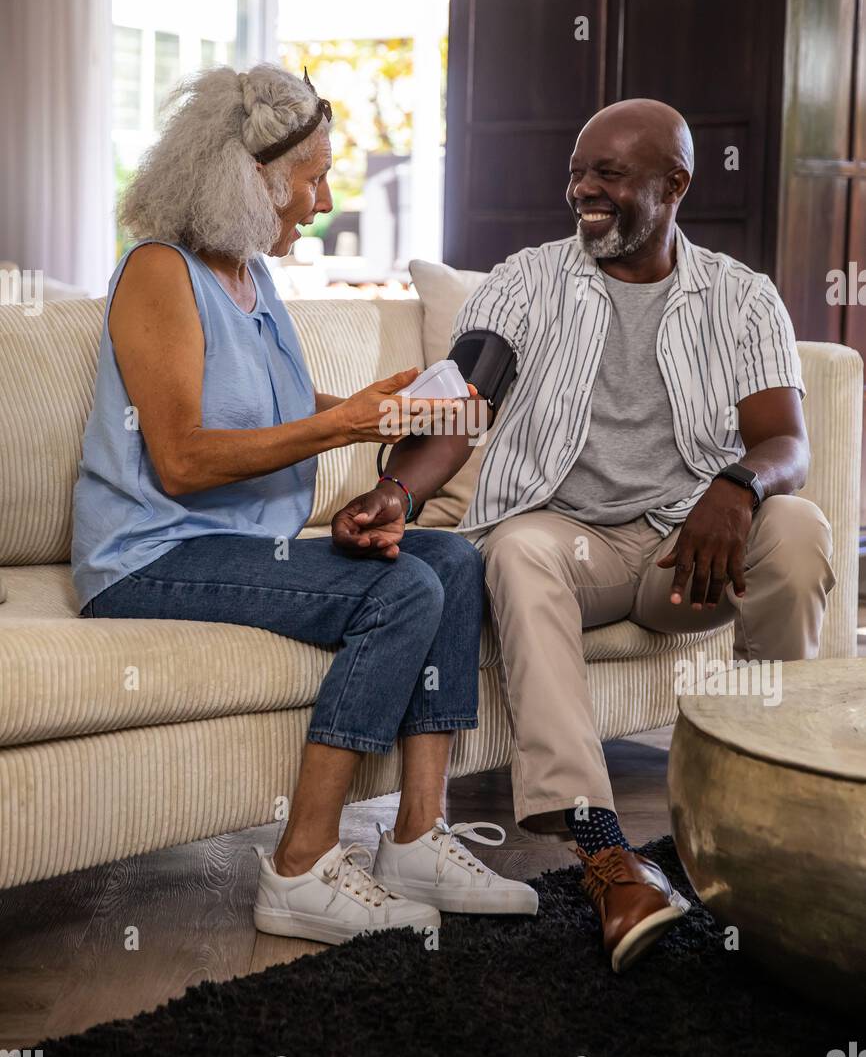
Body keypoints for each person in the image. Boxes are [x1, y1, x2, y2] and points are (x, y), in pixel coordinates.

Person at [332, 98, 835, 971]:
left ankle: (781, 800)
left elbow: (786, 441)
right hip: (572, 545)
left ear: (674, 185)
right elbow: (466, 402)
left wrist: (739, 485)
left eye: (608, 174)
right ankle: (607, 856)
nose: (582, 191)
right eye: (576, 172)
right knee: (523, 547)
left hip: (688, 553)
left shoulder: (742, 298)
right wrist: (397, 495)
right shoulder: (526, 281)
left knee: (795, 528)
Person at [72, 62, 537, 947]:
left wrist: (381, 407)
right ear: (245, 181)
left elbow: (282, 409)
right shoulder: (159, 274)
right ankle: (300, 867)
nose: (322, 200)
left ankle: (416, 839)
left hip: (241, 547)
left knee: (450, 557)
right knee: (401, 590)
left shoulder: (253, 275)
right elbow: (180, 458)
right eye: (311, 177)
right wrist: (345, 429)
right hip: (151, 555)